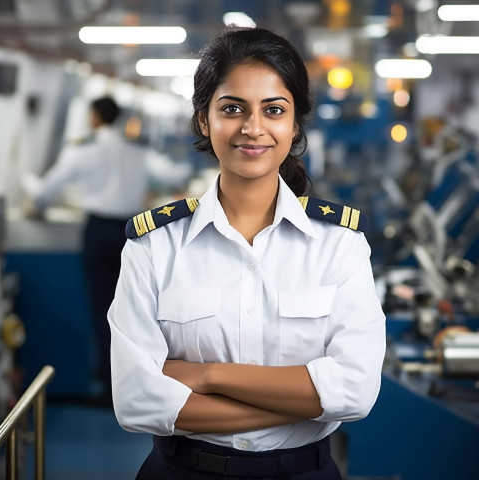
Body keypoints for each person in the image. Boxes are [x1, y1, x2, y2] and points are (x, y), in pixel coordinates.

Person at [108, 26, 386, 479]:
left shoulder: (340, 244)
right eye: (232, 109)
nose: (252, 128)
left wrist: (207, 376)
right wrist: (306, 402)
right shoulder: (154, 246)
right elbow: (136, 402)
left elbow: (355, 391)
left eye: (273, 110)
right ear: (204, 120)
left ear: (295, 124)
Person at [23, 96, 153, 401]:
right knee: (133, 308)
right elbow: (172, 174)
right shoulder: (136, 150)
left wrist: (28, 182)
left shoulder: (82, 151)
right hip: (132, 233)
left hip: (97, 231)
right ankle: (134, 380)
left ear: (94, 117)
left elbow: (44, 193)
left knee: (100, 307)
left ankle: (108, 386)